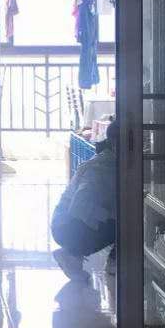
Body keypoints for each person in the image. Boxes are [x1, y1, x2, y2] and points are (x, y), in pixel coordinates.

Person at [52, 121, 117, 282]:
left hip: (64, 223)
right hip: (66, 226)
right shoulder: (100, 169)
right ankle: (73, 252)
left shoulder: (108, 162)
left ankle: (72, 254)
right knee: (125, 225)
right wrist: (112, 216)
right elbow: (79, 206)